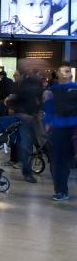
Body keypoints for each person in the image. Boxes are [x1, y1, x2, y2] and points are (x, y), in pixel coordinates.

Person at [43, 63, 77, 201]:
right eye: (62, 71)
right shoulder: (52, 90)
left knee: (63, 162)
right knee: (55, 162)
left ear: (71, 74)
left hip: (71, 131)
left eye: (67, 71)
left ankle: (62, 190)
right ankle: (60, 189)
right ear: (57, 73)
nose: (65, 74)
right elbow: (48, 109)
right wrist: (47, 123)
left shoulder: (75, 90)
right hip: (56, 131)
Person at [5, 69, 43, 183]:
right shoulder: (22, 86)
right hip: (25, 119)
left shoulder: (32, 84)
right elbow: (15, 101)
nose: (14, 76)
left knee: (35, 143)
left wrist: (38, 111)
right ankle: (27, 171)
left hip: (33, 118)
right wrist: (21, 112)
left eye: (16, 75)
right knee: (25, 145)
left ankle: (30, 166)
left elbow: (39, 100)